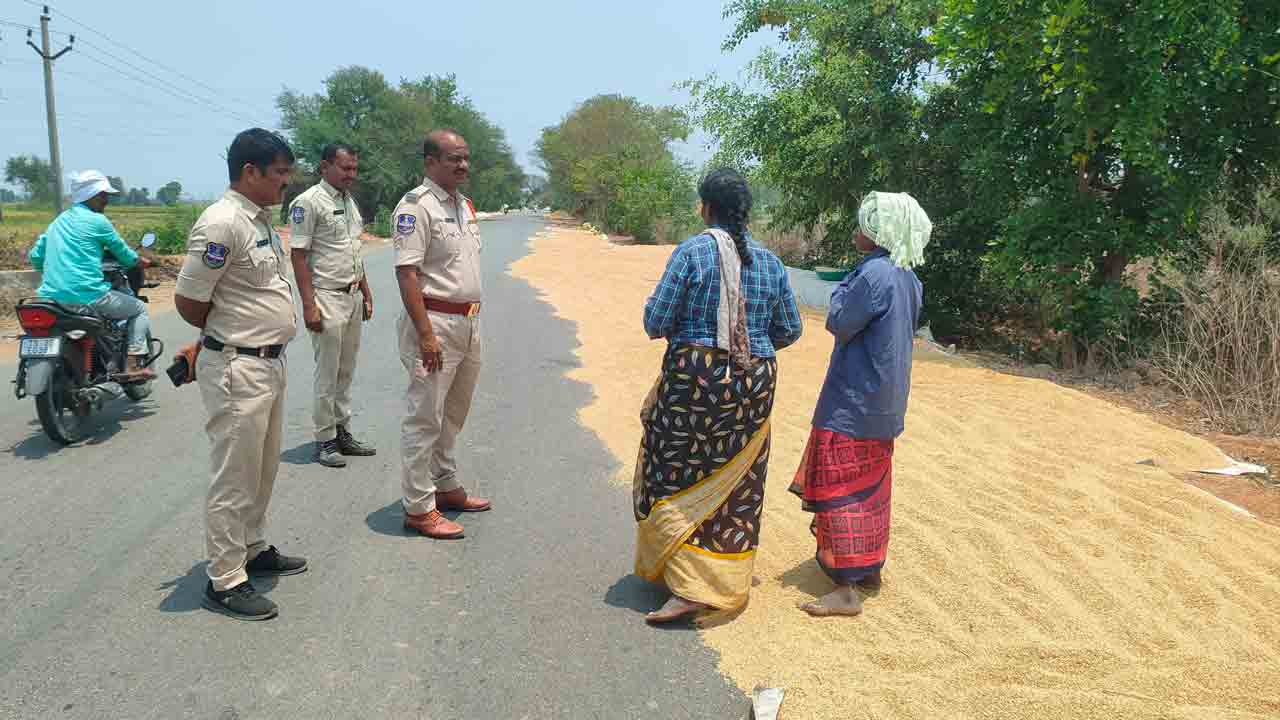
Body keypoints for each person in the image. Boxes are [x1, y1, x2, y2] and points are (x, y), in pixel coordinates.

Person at [634, 167, 803, 625]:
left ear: (705, 207)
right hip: (755, 382)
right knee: (737, 477)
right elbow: (790, 329)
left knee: (675, 468)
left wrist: (703, 343)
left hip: (696, 379)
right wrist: (749, 352)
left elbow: (656, 321)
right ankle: (723, 578)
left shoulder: (692, 253)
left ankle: (687, 585)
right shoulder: (770, 262)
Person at [172, 129, 306, 621]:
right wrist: (222, 333)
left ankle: (252, 547)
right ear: (250, 172)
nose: (285, 183)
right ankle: (226, 578)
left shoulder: (261, 221)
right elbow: (189, 301)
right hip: (237, 366)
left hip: (268, 362)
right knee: (235, 473)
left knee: (263, 466)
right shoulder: (221, 223)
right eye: (279, 174)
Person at [790, 191, 930, 618]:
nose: (857, 231)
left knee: (840, 486)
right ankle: (869, 569)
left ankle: (845, 587)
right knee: (872, 487)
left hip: (853, 399)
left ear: (880, 233)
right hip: (886, 405)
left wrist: (847, 283)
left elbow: (839, 320)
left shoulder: (873, 275)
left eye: (864, 226)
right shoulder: (909, 277)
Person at [392, 129, 492, 540]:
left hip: (468, 323)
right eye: (454, 159)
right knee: (424, 417)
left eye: (466, 158)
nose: (463, 165)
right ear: (430, 162)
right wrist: (426, 334)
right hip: (435, 323)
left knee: (453, 412)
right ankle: (419, 506)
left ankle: (445, 485)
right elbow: (407, 272)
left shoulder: (464, 205)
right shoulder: (416, 208)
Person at [288, 142, 376, 467]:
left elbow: (354, 251)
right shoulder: (308, 203)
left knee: (346, 371)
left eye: (354, 168)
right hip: (326, 297)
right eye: (345, 168)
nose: (351, 174)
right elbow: (298, 256)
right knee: (327, 373)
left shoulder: (349, 201)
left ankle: (343, 432)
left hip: (351, 296)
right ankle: (325, 440)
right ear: (325, 166)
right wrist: (309, 306)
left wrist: (366, 292)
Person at [28, 170, 155, 381]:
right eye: (104, 195)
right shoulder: (99, 222)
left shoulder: (57, 222)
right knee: (139, 309)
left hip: (50, 298)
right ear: (92, 195)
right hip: (89, 296)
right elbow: (124, 254)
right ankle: (133, 364)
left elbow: (36, 257)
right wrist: (141, 262)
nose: (106, 200)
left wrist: (56, 273)